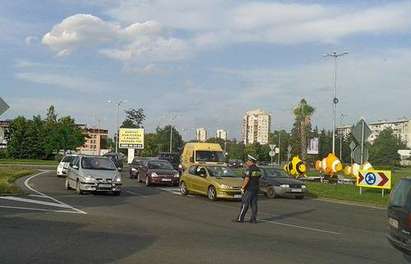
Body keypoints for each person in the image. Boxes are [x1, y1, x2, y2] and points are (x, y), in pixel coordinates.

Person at [235, 154, 261, 223]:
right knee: (254, 204)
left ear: (250, 161)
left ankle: (240, 218)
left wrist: (242, 188)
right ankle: (253, 219)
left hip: (249, 189)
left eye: (248, 161)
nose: (247, 162)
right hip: (256, 188)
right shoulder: (258, 169)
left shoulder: (249, 169)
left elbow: (246, 179)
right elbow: (258, 178)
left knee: (245, 203)